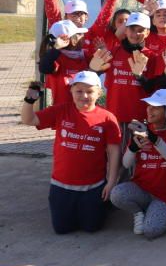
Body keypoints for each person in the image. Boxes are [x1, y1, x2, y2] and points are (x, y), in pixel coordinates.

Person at [21, 71, 121, 234]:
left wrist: (111, 182)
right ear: (71, 91)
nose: (84, 96)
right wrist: (29, 100)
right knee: (62, 229)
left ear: (99, 93)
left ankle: (101, 207)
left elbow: (114, 151)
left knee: (92, 228)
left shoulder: (107, 118)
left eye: (90, 91)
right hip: (62, 186)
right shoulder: (61, 110)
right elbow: (29, 120)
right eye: (79, 91)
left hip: (93, 187)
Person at [110, 90, 166, 239]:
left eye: (155, 107)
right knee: (117, 194)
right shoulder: (143, 130)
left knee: (151, 231)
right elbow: (126, 163)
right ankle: (138, 212)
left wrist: (154, 139)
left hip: (164, 195)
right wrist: (133, 148)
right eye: (148, 106)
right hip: (142, 189)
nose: (149, 110)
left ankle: (162, 211)